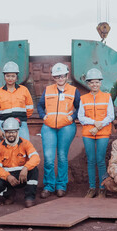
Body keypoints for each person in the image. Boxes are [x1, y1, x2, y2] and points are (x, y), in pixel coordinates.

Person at [36, 62, 78, 198]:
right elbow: (40, 106)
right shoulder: (48, 90)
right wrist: (44, 117)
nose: (60, 78)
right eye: (57, 76)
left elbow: (79, 108)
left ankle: (61, 185)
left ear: (66, 76)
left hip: (66, 127)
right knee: (48, 158)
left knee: (61, 156)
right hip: (49, 126)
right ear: (53, 78)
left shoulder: (73, 91)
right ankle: (49, 186)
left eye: (62, 76)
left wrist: (72, 118)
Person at [78, 67, 114, 198]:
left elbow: (110, 116)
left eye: (97, 82)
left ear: (100, 83)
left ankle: (103, 188)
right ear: (88, 83)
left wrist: (99, 126)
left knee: (100, 160)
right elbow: (81, 117)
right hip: (88, 133)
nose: (94, 84)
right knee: (91, 160)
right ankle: (92, 188)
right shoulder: (83, 98)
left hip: (103, 133)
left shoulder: (106, 97)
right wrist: (94, 122)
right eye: (92, 82)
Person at [0, 118, 41, 207]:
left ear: (18, 131)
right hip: (8, 177)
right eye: (8, 132)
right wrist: (7, 176)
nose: (11, 134)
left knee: (34, 170)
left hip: (22, 176)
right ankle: (9, 195)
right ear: (4, 133)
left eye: (13, 132)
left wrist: (26, 168)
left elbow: (35, 157)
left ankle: (29, 197)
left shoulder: (25, 143)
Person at [0, 61, 34, 141]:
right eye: (8, 76)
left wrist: (21, 118)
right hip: (4, 125)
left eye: (13, 76)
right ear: (4, 76)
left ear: (17, 77)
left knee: (24, 147)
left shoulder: (24, 90)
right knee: (6, 149)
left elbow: (30, 109)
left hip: (21, 124)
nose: (10, 78)